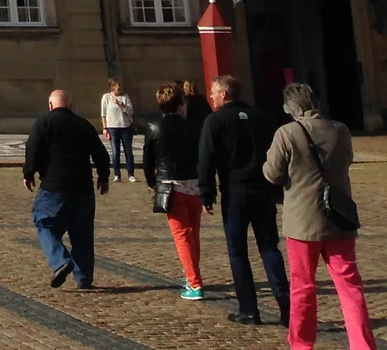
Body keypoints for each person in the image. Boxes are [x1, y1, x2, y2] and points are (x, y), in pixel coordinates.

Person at [264, 81, 373, 350]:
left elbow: (272, 173)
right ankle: (362, 344)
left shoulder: (287, 133)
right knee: (350, 285)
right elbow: (347, 159)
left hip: (302, 221)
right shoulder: (340, 130)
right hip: (339, 216)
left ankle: (302, 344)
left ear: (289, 108)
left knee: (303, 287)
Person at [199, 73, 291, 328]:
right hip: (263, 189)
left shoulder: (215, 120)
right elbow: (276, 154)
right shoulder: (261, 117)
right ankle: (283, 295)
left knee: (238, 251)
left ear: (224, 94)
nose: (211, 96)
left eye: (214, 92)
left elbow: (206, 158)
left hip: (235, 192)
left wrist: (206, 193)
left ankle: (249, 309)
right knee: (269, 246)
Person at [22, 88, 110, 290]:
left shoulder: (43, 123)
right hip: (83, 187)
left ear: (50, 105)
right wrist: (103, 177)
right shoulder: (83, 124)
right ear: (70, 105)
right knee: (82, 234)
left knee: (45, 223)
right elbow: (100, 153)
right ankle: (84, 279)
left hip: (54, 186)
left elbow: (32, 148)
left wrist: (29, 173)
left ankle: (60, 260)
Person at [142, 82, 206, 300]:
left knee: (182, 236)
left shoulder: (154, 126)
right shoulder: (193, 127)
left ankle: (194, 282)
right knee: (192, 234)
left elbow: (148, 159)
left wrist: (152, 182)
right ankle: (192, 276)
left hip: (170, 185)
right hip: (194, 184)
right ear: (180, 104)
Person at [100, 78, 137, 182]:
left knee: (128, 151)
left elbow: (131, 111)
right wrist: (105, 128)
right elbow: (103, 114)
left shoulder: (125, 97)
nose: (118, 87)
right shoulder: (106, 97)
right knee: (115, 151)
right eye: (116, 85)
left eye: (119, 85)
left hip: (125, 126)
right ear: (111, 87)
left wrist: (121, 104)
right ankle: (117, 174)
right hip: (112, 127)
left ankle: (131, 174)